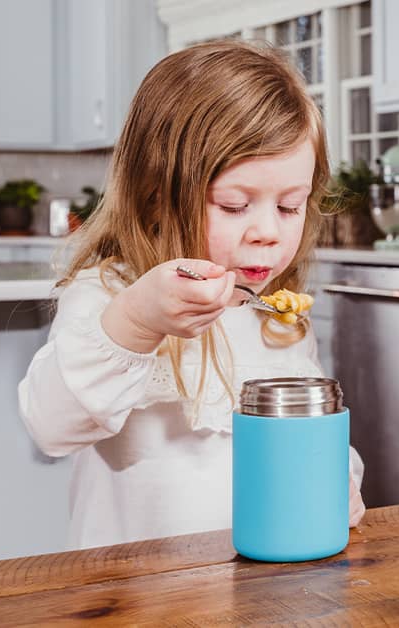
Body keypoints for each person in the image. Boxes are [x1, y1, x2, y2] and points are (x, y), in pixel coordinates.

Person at [18, 41, 365, 549]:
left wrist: (341, 483)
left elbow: (313, 442)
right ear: (157, 194)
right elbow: (52, 426)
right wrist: (136, 323)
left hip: (258, 592)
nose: (268, 231)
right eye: (233, 204)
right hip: (128, 598)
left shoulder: (277, 316)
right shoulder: (109, 294)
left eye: (290, 207)